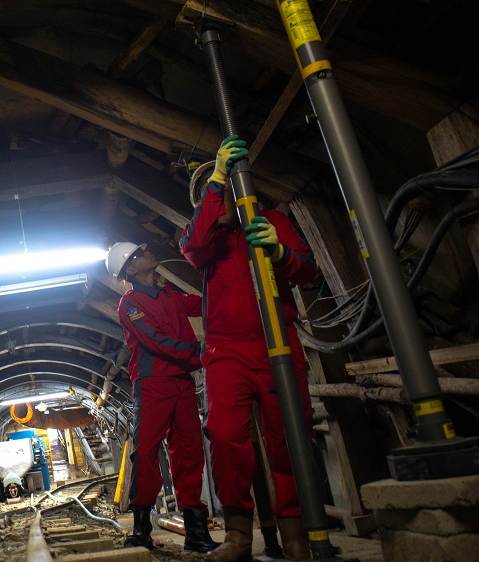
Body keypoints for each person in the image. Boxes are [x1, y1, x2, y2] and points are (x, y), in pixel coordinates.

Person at [179, 135, 317, 562]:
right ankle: (238, 534)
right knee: (224, 435)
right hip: (226, 351)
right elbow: (191, 247)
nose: (219, 197)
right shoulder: (207, 239)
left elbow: (307, 271)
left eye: (226, 184)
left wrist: (278, 250)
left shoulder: (273, 220)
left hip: (278, 341)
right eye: (213, 192)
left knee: (288, 437)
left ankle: (296, 532)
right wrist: (215, 177)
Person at [105, 242, 218, 554]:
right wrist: (199, 352)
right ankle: (141, 529)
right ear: (130, 269)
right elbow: (156, 341)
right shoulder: (130, 304)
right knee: (145, 453)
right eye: (138, 254)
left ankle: (196, 531)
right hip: (153, 383)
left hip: (181, 382)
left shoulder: (169, 295)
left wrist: (222, 283)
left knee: (189, 452)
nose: (147, 253)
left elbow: (201, 304)